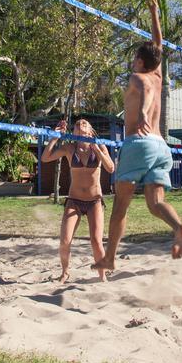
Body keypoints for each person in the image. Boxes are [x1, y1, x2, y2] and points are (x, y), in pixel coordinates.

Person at [94, 0, 182, 276]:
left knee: (120, 205)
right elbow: (157, 45)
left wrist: (145, 112)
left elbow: (145, 92)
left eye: (135, 57)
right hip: (161, 146)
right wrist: (154, 14)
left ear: (138, 61)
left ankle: (110, 258)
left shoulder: (140, 78)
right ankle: (180, 227)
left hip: (139, 142)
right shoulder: (158, 75)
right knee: (155, 203)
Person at [40, 118, 115, 282]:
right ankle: (65, 272)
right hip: (74, 200)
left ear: (90, 130)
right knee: (65, 241)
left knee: (96, 241)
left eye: (84, 123)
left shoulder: (99, 146)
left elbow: (111, 168)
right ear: (73, 132)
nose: (80, 124)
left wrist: (99, 151)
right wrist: (54, 137)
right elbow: (45, 158)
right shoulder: (69, 148)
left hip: (95, 201)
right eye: (77, 124)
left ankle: (102, 276)